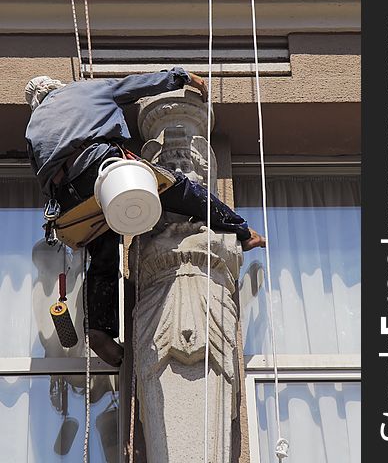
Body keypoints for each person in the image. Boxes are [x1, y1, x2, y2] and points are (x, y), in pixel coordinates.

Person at [25, 69, 265, 366]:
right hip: (104, 171)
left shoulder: (33, 128)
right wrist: (182, 77)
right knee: (179, 188)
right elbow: (136, 86)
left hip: (69, 200)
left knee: (103, 255)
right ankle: (243, 231)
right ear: (57, 87)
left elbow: (41, 175)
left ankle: (99, 330)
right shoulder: (84, 91)